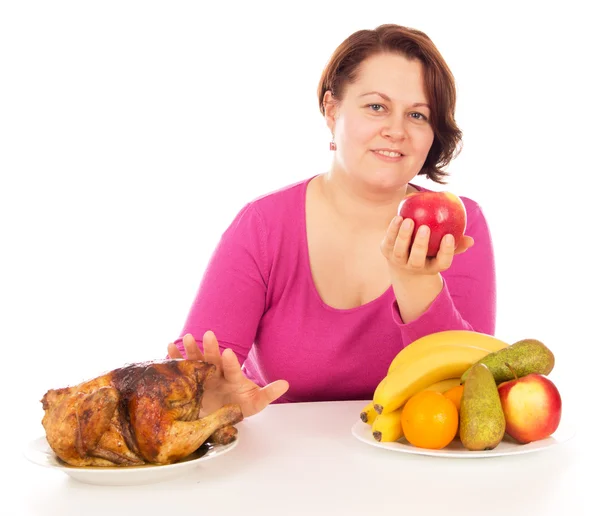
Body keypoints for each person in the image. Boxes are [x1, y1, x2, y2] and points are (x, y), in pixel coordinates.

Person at [167, 24, 496, 419]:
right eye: (376, 107)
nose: (396, 130)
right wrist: (206, 400)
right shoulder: (263, 226)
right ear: (332, 109)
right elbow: (192, 379)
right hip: (284, 465)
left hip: (420, 460)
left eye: (417, 114)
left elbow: (474, 391)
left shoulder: (460, 226)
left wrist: (418, 283)